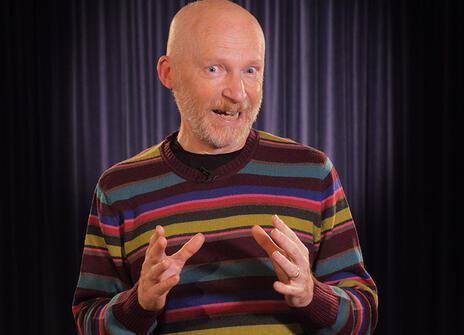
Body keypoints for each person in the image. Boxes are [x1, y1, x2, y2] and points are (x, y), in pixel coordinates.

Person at [72, 0, 378, 334]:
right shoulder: (119, 188)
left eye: (251, 70)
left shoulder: (313, 173)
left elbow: (362, 316)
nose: (238, 93)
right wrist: (140, 304)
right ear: (168, 72)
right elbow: (90, 321)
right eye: (214, 69)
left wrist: (311, 295)